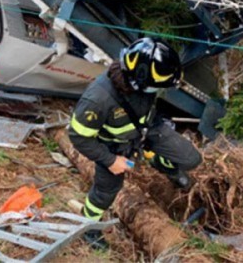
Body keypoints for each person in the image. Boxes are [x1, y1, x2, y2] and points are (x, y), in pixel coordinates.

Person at [69, 37, 202, 250]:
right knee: (105, 193)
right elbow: (78, 136)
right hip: (113, 147)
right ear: (137, 80)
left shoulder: (144, 82)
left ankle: (160, 163)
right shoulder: (97, 100)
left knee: (191, 158)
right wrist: (110, 160)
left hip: (147, 129)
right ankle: (89, 227)